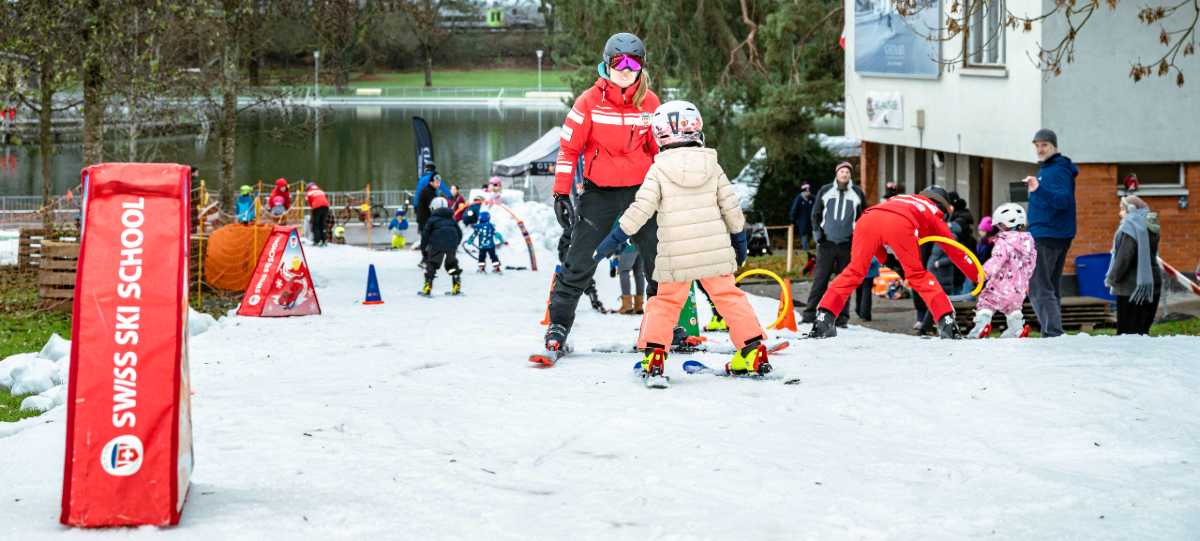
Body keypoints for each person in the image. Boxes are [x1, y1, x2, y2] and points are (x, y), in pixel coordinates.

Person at [593, 100, 768, 383]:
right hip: (714, 252)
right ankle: (752, 351)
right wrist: (739, 240)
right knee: (729, 297)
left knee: (665, 303)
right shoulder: (713, 165)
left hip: (676, 255)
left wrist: (614, 239)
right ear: (697, 128)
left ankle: (654, 356)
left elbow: (641, 209)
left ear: (659, 135)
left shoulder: (658, 170)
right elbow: (732, 208)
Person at [539, 32, 663, 357]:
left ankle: (667, 327)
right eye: (618, 61)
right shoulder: (588, 102)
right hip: (600, 194)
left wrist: (670, 190)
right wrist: (561, 193)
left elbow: (660, 151)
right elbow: (568, 150)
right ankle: (558, 327)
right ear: (606, 64)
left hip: (642, 193)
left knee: (658, 260)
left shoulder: (650, 103)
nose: (625, 68)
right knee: (580, 260)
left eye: (633, 62)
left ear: (641, 66)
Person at [809, 186, 978, 339]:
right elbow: (956, 251)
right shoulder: (934, 214)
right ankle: (947, 323)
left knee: (854, 271)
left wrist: (889, 261)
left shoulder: (902, 199)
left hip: (867, 219)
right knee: (918, 275)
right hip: (901, 223)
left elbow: (880, 229)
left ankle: (824, 319)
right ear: (943, 207)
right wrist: (978, 277)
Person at [1023, 128, 1078, 337]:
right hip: (1052, 233)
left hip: (1049, 235)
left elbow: (1064, 201)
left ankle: (1053, 333)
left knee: (1038, 286)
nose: (1040, 149)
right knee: (1050, 286)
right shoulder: (1048, 169)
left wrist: (1039, 189)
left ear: (1054, 146)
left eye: (1044, 145)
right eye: (1037, 145)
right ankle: (1052, 332)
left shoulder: (1057, 170)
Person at [801, 162, 866, 326]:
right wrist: (817, 233)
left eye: (847, 172)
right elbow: (815, 213)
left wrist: (858, 238)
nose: (844, 174)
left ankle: (842, 318)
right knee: (820, 280)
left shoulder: (857, 192)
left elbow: (864, 217)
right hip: (827, 243)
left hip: (847, 244)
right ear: (837, 174)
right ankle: (809, 314)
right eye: (842, 171)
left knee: (845, 282)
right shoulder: (825, 190)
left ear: (850, 175)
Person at [967, 203, 1037, 338]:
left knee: (986, 302)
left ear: (1004, 225)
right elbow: (1031, 265)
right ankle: (1016, 330)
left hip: (1000, 286)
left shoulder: (1003, 242)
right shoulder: (1029, 243)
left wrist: (983, 273)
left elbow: (996, 261)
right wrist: (1025, 281)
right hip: (1019, 288)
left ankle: (981, 327)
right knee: (1013, 309)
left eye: (998, 226)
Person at [1104, 195, 1162, 335]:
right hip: (1150, 286)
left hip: (1131, 289)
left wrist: (1112, 278)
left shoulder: (1130, 227)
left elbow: (1124, 258)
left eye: (1122, 209)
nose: (1120, 213)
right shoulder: (1150, 225)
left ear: (1131, 209)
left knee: (1127, 334)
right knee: (1143, 332)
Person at [419, 197, 463, 296]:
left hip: (437, 244)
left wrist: (423, 248)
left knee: (432, 264)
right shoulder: (452, 218)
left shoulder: (432, 219)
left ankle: (428, 287)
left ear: (433, 208)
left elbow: (425, 234)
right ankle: (456, 285)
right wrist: (455, 244)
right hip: (451, 243)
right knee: (451, 264)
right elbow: (459, 232)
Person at [614, 242, 646, 314]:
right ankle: (639, 306)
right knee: (639, 273)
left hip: (628, 246)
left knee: (624, 271)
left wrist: (618, 250)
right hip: (641, 245)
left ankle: (627, 306)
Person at [788, 183, 815, 252]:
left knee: (816, 236)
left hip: (812, 222)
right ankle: (806, 252)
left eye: (809, 190)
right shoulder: (798, 199)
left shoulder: (812, 198)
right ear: (803, 192)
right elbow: (793, 211)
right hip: (802, 223)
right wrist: (792, 221)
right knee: (804, 237)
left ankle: (819, 251)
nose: (809, 192)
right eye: (808, 191)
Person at [855, 257, 879, 322]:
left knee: (859, 290)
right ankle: (865, 314)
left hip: (857, 267)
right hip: (869, 268)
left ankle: (859, 310)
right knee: (866, 291)